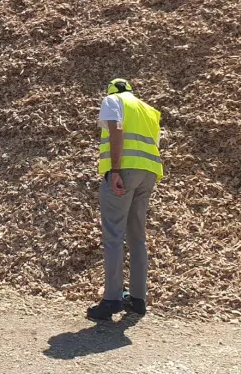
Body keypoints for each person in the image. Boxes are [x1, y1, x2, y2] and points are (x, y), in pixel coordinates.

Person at [87, 78, 163, 322]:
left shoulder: (112, 101)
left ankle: (112, 299)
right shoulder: (149, 110)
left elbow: (116, 130)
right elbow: (155, 144)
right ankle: (138, 299)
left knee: (113, 236)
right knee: (137, 237)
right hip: (148, 174)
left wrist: (116, 170)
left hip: (124, 173)